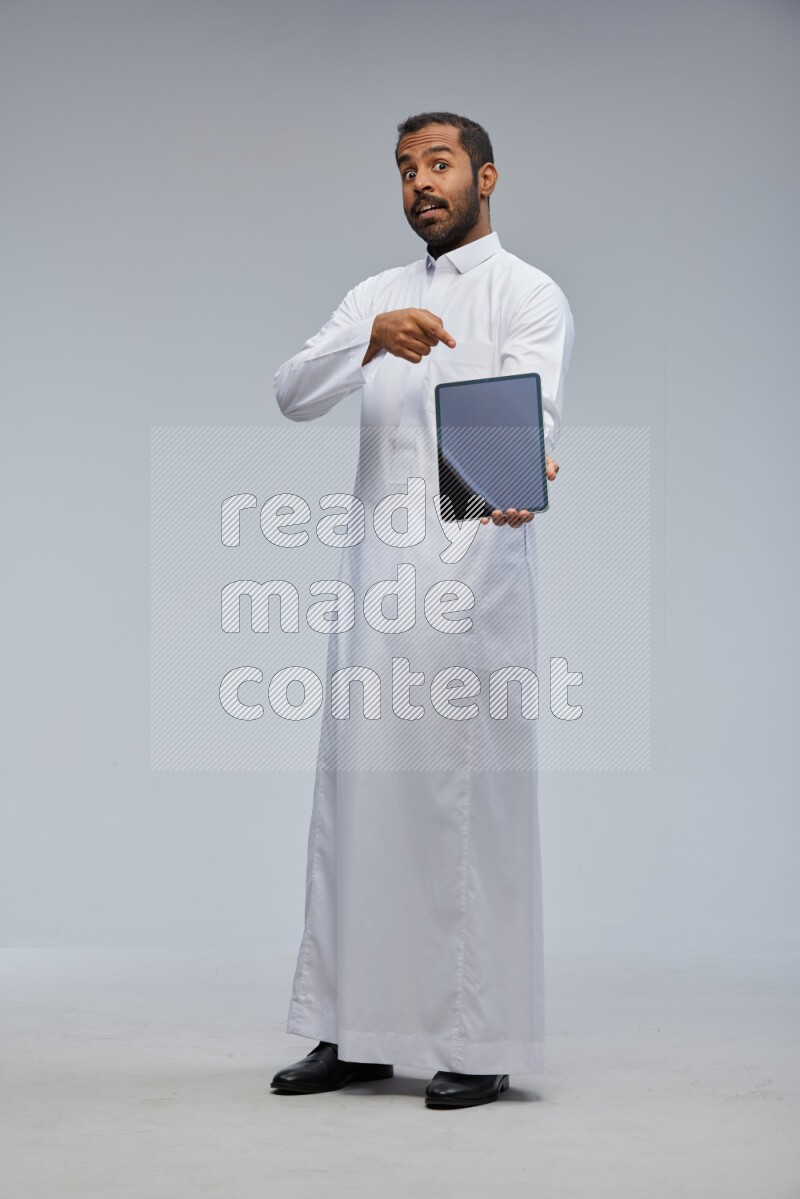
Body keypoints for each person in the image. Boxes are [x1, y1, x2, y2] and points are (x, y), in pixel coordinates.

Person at [270, 111, 575, 1109]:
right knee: (357, 803)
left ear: (484, 176)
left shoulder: (526, 291)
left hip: (472, 582)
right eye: (405, 170)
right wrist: (368, 341)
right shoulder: (377, 295)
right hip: (374, 587)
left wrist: (522, 469)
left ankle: (476, 1037)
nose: (419, 184)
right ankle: (352, 1029)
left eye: (437, 164)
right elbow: (290, 391)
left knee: (463, 808)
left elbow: (530, 411)